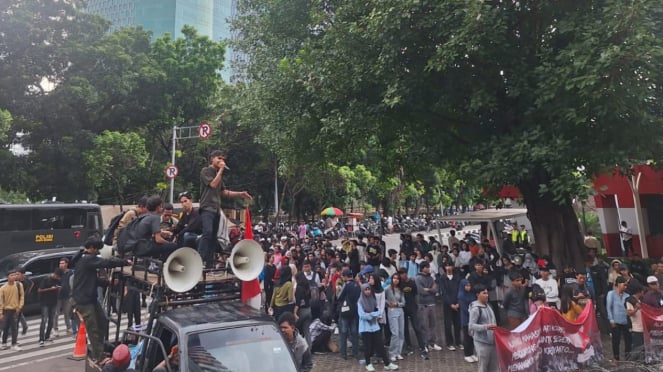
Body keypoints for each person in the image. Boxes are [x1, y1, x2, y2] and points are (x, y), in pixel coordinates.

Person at [72, 237, 132, 363]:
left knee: (102, 322)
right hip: (84, 301)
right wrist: (124, 262)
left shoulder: (83, 259)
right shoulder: (87, 259)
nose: (98, 252)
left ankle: (98, 349)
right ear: (92, 248)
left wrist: (106, 282)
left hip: (90, 298)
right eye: (97, 249)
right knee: (93, 328)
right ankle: (98, 356)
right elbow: (106, 262)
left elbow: (91, 280)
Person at [199, 150, 252, 268]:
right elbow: (212, 185)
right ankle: (200, 258)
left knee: (213, 236)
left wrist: (241, 193)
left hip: (216, 209)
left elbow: (224, 192)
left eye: (223, 159)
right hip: (207, 207)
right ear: (212, 158)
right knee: (207, 233)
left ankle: (209, 262)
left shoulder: (219, 175)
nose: (221, 161)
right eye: (219, 158)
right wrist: (221, 170)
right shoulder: (206, 171)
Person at [358, 283, 399, 371]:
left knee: (380, 345)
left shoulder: (373, 300)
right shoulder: (360, 302)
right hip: (365, 328)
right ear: (363, 291)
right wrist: (372, 315)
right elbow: (362, 315)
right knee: (368, 347)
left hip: (375, 326)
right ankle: (368, 363)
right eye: (366, 290)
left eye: (369, 289)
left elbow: (379, 312)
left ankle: (387, 364)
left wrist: (370, 314)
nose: (368, 291)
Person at [134, 195, 179, 261]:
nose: (161, 208)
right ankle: (164, 264)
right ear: (158, 207)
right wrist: (169, 243)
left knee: (160, 245)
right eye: (161, 206)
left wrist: (162, 233)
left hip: (137, 247)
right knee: (172, 246)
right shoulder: (155, 217)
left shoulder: (145, 216)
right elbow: (158, 239)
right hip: (145, 248)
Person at [398, 268, 428, 359]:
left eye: (403, 273)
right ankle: (409, 346)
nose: (402, 275)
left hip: (413, 308)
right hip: (403, 309)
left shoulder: (412, 282)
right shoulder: (399, 284)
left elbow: (415, 294)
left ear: (406, 273)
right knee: (405, 329)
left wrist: (417, 305)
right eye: (400, 274)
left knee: (417, 327)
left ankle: (422, 346)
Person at [468, 284, 498, 372]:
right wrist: (486, 327)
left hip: (492, 342)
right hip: (482, 343)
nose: (487, 295)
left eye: (487, 293)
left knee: (494, 367)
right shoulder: (475, 309)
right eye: (484, 293)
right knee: (483, 367)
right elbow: (471, 325)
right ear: (478, 295)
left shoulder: (488, 306)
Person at [415, 262, 442, 351]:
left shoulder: (430, 278)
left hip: (432, 303)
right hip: (423, 304)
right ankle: (424, 344)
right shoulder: (418, 278)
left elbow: (436, 289)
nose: (429, 269)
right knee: (424, 325)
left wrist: (429, 289)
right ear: (422, 268)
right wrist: (431, 290)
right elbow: (421, 291)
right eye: (427, 267)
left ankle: (432, 343)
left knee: (433, 324)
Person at [336, 268, 360, 360]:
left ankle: (343, 353)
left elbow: (339, 297)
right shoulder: (357, 285)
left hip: (345, 311)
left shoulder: (346, 285)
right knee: (354, 332)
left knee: (344, 332)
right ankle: (355, 352)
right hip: (355, 311)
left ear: (346, 276)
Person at [607, 276, 631, 361]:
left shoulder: (627, 295)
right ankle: (616, 358)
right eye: (624, 285)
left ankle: (627, 358)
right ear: (618, 284)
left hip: (625, 321)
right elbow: (609, 308)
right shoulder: (611, 294)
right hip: (615, 321)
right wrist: (611, 319)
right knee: (616, 341)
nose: (625, 287)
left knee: (628, 341)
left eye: (626, 285)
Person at [0, 269, 24, 351]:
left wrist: (19, 307)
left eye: (15, 275)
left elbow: (22, 297)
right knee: (5, 327)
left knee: (14, 328)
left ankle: (14, 344)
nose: (14, 277)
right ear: (7, 277)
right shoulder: (3, 288)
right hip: (6, 310)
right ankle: (4, 343)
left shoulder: (19, 285)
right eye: (11, 275)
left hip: (15, 310)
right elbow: (1, 302)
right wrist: (1, 313)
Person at [440, 261, 462, 351]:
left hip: (457, 303)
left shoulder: (457, 278)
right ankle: (449, 343)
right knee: (448, 324)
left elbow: (460, 290)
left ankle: (458, 342)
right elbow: (443, 293)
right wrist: (450, 304)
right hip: (447, 305)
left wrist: (458, 303)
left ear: (453, 267)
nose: (448, 267)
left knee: (458, 324)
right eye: (446, 266)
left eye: (450, 265)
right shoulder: (442, 278)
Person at [37, 268, 62, 346]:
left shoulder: (57, 280)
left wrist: (58, 288)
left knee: (51, 320)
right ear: (54, 274)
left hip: (54, 302)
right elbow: (40, 290)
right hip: (45, 302)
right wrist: (50, 289)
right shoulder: (46, 279)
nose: (58, 278)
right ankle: (41, 338)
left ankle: (47, 336)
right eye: (57, 277)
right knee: (44, 320)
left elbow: (59, 287)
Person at [385, 273, 405, 362]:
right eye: (394, 278)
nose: (396, 280)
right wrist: (388, 303)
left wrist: (397, 304)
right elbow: (382, 297)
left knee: (401, 333)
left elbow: (404, 302)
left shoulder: (400, 290)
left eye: (397, 278)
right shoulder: (388, 289)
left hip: (400, 310)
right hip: (392, 311)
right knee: (395, 333)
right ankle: (392, 352)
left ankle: (398, 352)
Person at [458, 279, 477, 363]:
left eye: (469, 285)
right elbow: (464, 308)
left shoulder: (472, 294)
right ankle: (467, 354)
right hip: (466, 319)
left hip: (473, 318)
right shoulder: (461, 295)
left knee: (472, 337)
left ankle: (471, 353)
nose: (468, 287)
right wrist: (472, 312)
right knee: (467, 338)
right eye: (467, 286)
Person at [54, 257, 73, 337]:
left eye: (63, 263)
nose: (61, 265)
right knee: (56, 313)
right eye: (60, 263)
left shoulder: (70, 272)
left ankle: (68, 328)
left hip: (67, 295)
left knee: (67, 312)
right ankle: (55, 329)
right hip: (58, 296)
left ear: (67, 264)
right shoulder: (57, 272)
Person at [625, 280, 644, 362]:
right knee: (637, 348)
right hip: (637, 329)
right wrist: (636, 308)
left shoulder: (638, 300)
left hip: (643, 328)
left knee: (642, 348)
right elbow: (629, 313)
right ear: (639, 291)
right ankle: (632, 363)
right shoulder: (629, 301)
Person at [294, 272, 312, 345]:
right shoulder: (307, 286)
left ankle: (297, 346)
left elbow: (298, 302)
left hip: (301, 311)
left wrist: (295, 312)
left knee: (296, 329)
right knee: (307, 330)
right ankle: (309, 347)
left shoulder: (299, 288)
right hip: (308, 309)